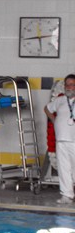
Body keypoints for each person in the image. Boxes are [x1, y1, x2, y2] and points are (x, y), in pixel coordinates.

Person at [44, 74, 75, 204]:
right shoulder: (60, 100)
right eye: (67, 84)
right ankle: (67, 195)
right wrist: (54, 120)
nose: (68, 87)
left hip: (74, 141)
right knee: (63, 169)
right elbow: (47, 108)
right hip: (61, 140)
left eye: (72, 84)